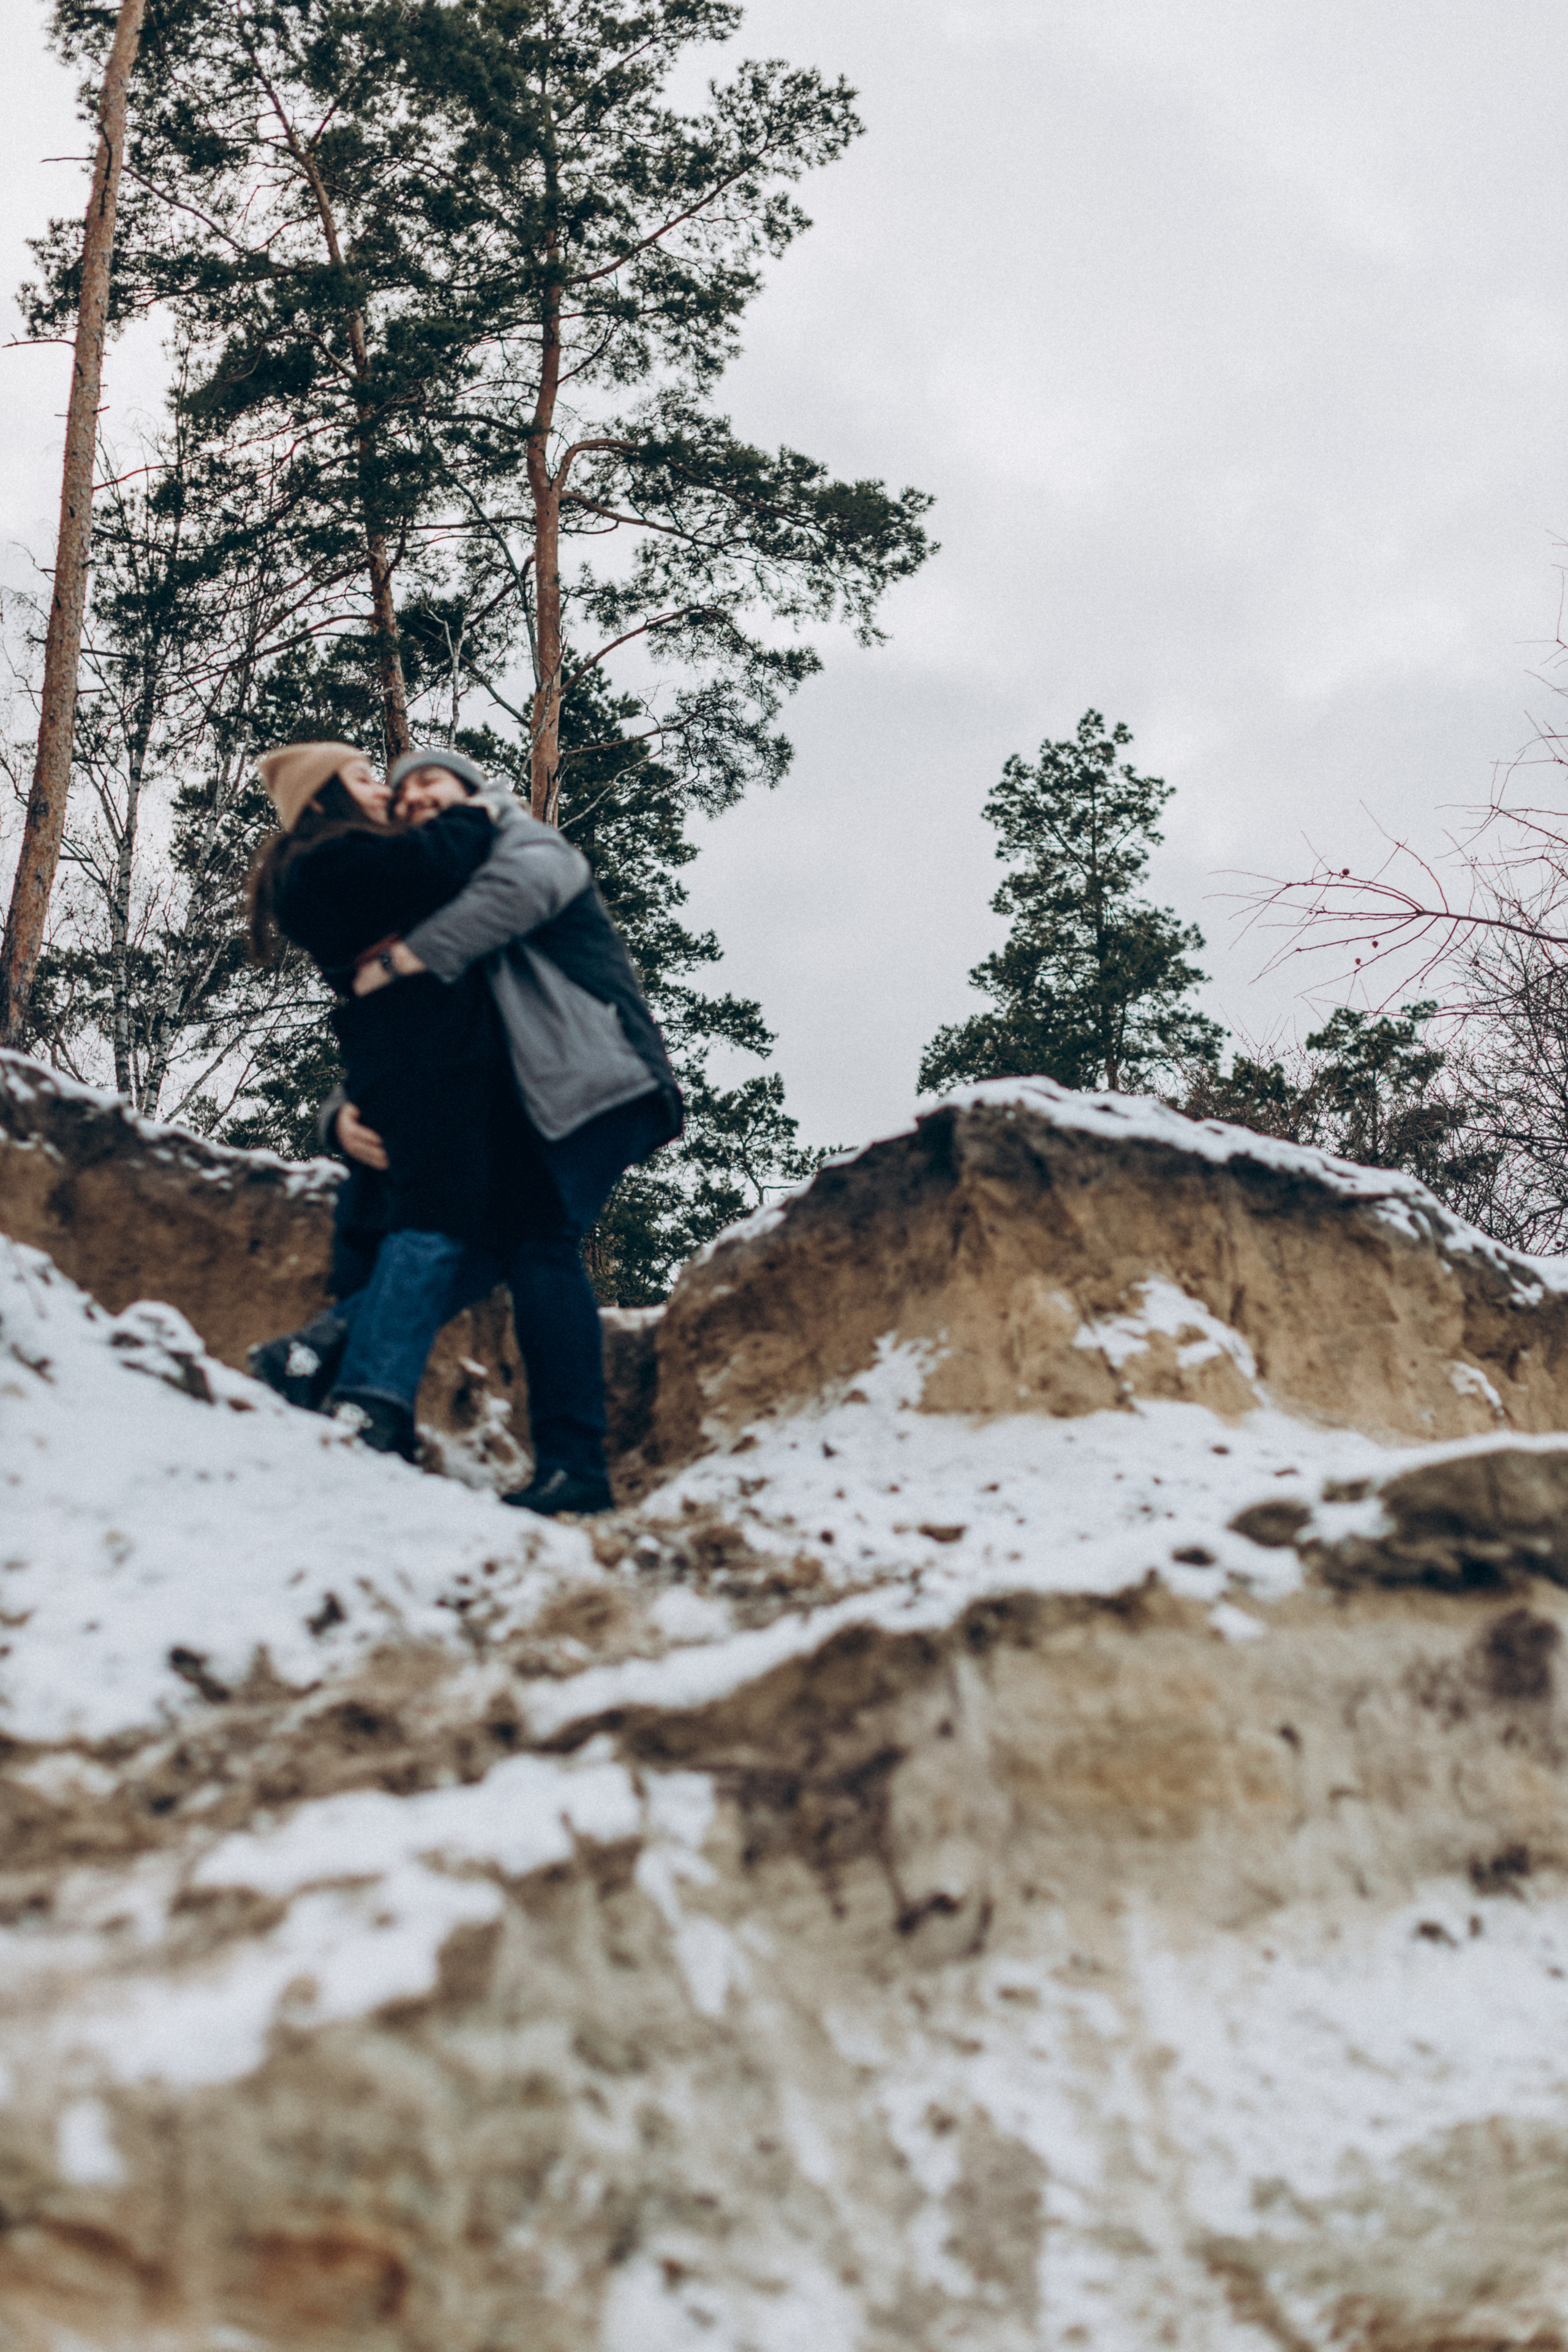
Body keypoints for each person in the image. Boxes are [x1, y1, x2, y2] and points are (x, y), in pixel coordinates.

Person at [246, 742, 681, 1516]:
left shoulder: (519, 838)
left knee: (539, 1244)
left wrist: (404, 956)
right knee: (483, 1244)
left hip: (595, 1079)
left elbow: (517, 896)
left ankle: (573, 1462)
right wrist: (339, 1115)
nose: (415, 801)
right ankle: (329, 1356)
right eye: (403, 797)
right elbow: (422, 1035)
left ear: (479, 790)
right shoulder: (440, 878)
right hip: (533, 1103)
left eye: (432, 785)